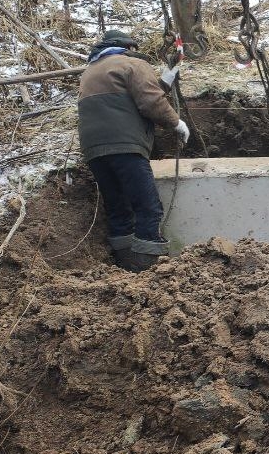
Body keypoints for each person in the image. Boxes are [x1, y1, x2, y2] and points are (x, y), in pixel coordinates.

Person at [77, 29, 189, 272]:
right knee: (148, 208)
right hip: (125, 146)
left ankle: (124, 266)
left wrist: (165, 82)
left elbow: (125, 100)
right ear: (128, 47)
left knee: (119, 208)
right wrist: (176, 123)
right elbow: (150, 102)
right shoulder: (132, 63)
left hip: (94, 151)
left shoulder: (91, 71)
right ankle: (147, 269)